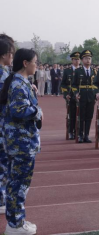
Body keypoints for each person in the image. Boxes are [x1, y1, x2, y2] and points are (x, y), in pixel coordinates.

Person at [1, 48, 41, 235]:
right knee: (18, 185)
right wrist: (37, 111)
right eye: (35, 62)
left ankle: (17, 221)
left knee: (18, 184)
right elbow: (18, 110)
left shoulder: (20, 82)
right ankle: (15, 224)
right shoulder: (18, 84)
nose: (36, 66)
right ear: (25, 63)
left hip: (22, 141)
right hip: (21, 143)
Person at [0, 37, 16, 217]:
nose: (12, 57)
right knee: (3, 165)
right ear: (4, 55)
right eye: (11, 53)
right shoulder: (3, 76)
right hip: (2, 126)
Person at [72, 50, 98, 144]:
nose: (88, 60)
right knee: (81, 116)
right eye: (86, 58)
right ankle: (80, 134)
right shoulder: (78, 71)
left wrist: (97, 93)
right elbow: (74, 85)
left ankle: (86, 135)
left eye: (89, 58)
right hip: (82, 95)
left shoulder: (94, 71)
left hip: (91, 96)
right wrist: (76, 93)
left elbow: (97, 84)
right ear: (82, 60)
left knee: (89, 116)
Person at [61, 53, 80, 140]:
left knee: (80, 114)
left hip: (80, 95)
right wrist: (66, 94)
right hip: (70, 95)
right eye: (75, 59)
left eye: (78, 59)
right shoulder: (67, 71)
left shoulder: (82, 70)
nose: (77, 61)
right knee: (72, 114)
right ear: (72, 60)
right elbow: (63, 84)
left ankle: (78, 131)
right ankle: (71, 131)